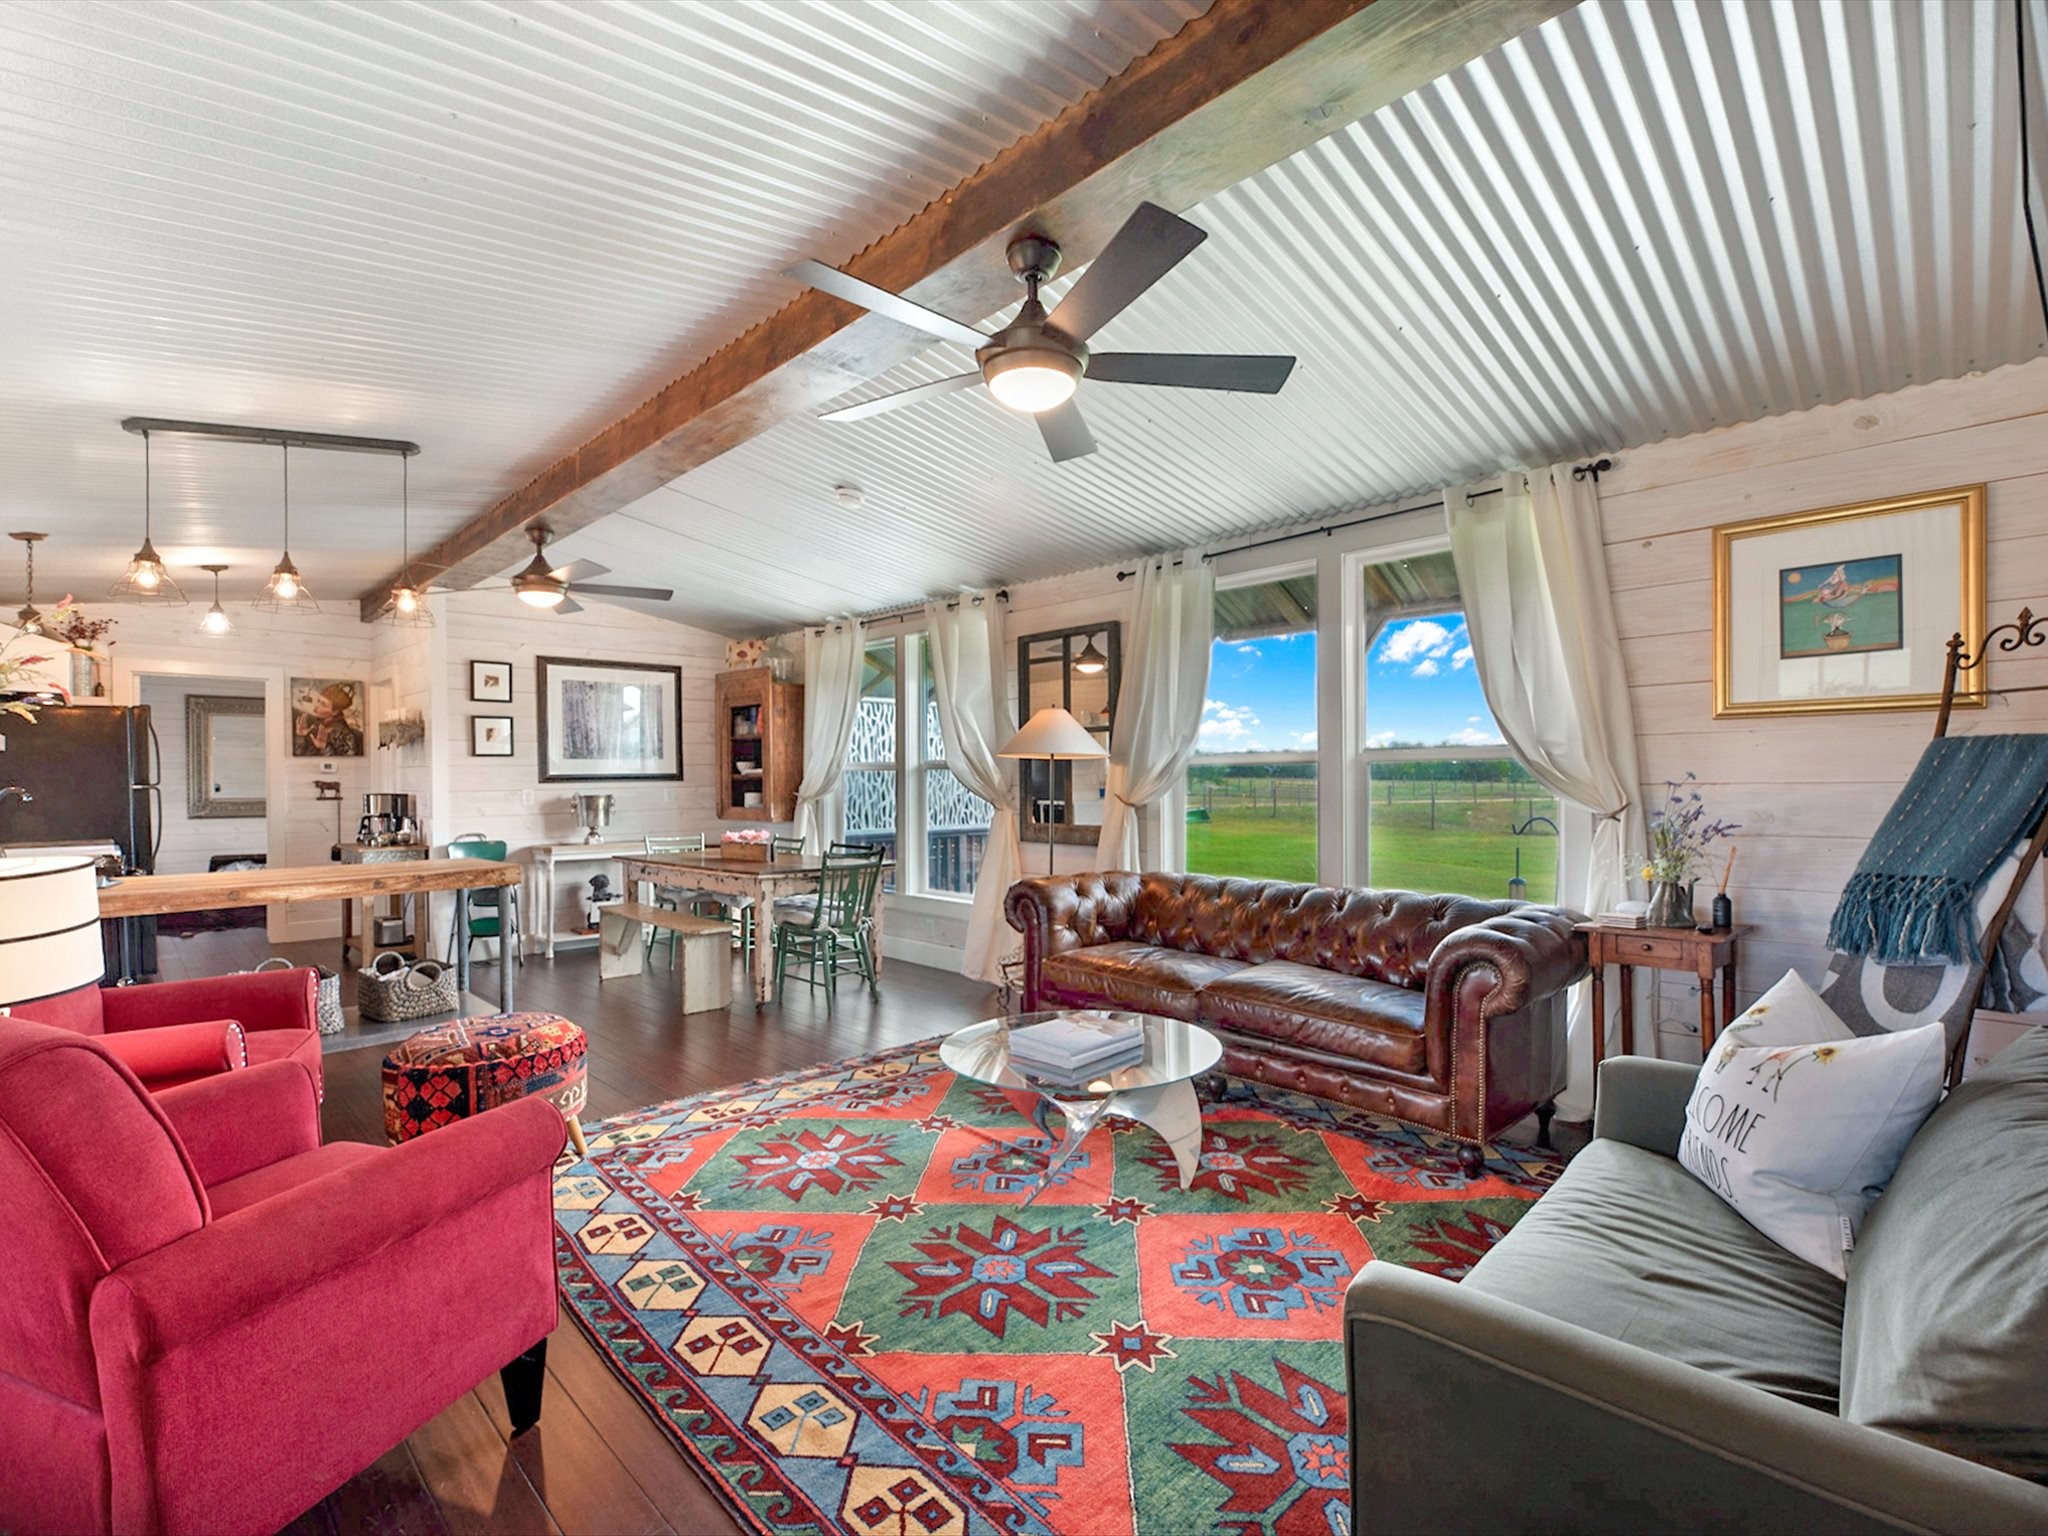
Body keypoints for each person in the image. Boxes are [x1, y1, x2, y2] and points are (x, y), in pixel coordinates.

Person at [296, 682, 361, 756]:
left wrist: (325, 748)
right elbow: (299, 754)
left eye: (323, 704)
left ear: (335, 712)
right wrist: (301, 736)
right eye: (318, 701)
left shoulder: (346, 735)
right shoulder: (315, 725)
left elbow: (349, 764)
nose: (316, 705)